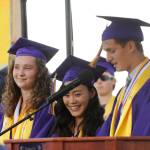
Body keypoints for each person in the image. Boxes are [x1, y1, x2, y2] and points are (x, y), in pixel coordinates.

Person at [96, 16, 150, 136]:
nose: (108, 58)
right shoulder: (123, 92)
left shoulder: (147, 86)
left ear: (131, 46)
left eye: (112, 51)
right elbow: (106, 132)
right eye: (106, 52)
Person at [0, 37, 58, 143]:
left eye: (27, 68)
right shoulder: (6, 107)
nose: (20, 73)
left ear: (40, 73)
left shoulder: (47, 109)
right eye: (16, 67)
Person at [50, 55, 104, 137]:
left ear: (92, 93)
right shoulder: (60, 128)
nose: (72, 101)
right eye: (66, 95)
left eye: (77, 94)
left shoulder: (101, 130)